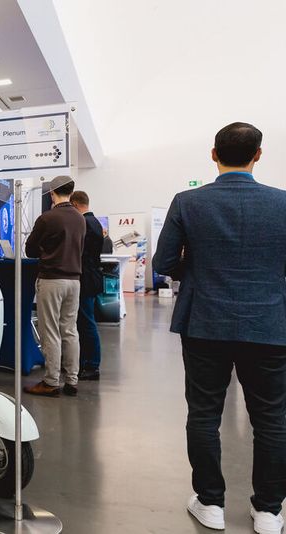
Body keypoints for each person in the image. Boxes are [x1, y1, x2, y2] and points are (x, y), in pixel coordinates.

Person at [153, 122, 286, 534]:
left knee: (204, 414)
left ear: (214, 154)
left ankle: (210, 502)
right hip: (269, 323)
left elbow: (162, 263)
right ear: (259, 155)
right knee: (272, 419)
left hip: (205, 322)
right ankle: (268, 511)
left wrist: (195, 270)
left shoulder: (188, 202)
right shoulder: (282, 204)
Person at [23, 176, 85, 397]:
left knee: (50, 331)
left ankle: (51, 381)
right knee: (70, 330)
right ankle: (72, 381)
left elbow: (29, 251)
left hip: (51, 280)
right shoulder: (80, 218)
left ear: (52, 194)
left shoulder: (47, 218)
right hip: (74, 281)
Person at [70, 191, 104, 380]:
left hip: (86, 279)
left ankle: (92, 365)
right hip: (90, 277)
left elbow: (81, 253)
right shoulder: (94, 222)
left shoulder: (85, 224)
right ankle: (85, 362)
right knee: (84, 322)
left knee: (86, 322)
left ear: (74, 204)